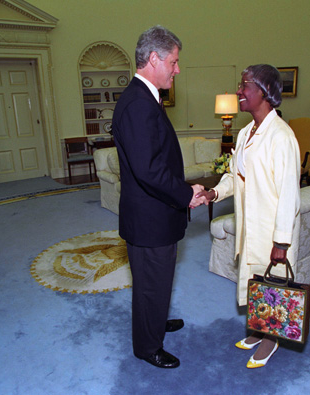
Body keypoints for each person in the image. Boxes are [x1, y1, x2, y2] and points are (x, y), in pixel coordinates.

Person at [111, 25, 204, 369]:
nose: (177, 69)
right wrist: (185, 194)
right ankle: (147, 346)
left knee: (157, 279)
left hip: (155, 212)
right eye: (174, 62)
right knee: (151, 282)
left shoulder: (145, 97)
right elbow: (149, 170)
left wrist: (183, 190)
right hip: (150, 217)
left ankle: (154, 321)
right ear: (154, 58)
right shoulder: (137, 103)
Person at [197, 64, 301, 368]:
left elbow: (290, 196)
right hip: (250, 225)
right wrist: (213, 193)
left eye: (245, 85)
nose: (239, 91)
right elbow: (235, 175)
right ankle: (259, 329)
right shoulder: (245, 133)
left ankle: (272, 339)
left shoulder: (281, 137)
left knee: (274, 283)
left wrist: (281, 241)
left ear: (265, 92)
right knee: (256, 279)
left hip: (272, 229)